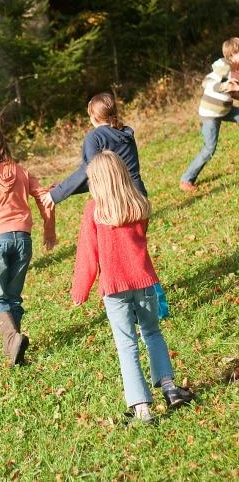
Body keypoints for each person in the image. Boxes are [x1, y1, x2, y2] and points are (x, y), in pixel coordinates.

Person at [71, 151, 194, 424]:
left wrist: (80, 290)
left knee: (127, 345)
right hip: (145, 281)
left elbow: (88, 254)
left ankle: (142, 408)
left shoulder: (94, 211)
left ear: (98, 181)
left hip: (114, 288)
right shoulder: (138, 204)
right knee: (152, 332)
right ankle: (170, 388)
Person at [0, 128, 55, 366]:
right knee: (13, 298)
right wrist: (49, 231)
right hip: (23, 242)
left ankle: (10, 337)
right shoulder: (21, 172)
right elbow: (44, 196)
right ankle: (15, 351)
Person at [46, 92, 147, 207]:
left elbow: (90, 172)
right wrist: (64, 187)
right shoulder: (126, 133)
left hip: (118, 205)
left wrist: (57, 193)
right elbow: (103, 178)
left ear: (93, 117)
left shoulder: (94, 137)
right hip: (140, 200)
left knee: (90, 215)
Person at [180, 37, 239, 192]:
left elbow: (233, 93)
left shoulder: (236, 70)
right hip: (210, 113)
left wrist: (233, 90)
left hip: (224, 109)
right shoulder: (224, 66)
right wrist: (225, 85)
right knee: (209, 149)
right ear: (232, 55)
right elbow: (207, 82)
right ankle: (186, 179)